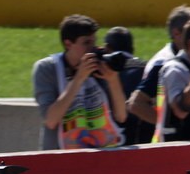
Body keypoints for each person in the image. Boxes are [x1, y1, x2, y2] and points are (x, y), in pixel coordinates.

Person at [32, 14, 127, 150]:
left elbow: (121, 116)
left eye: (94, 42)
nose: (92, 49)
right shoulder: (47, 68)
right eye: (86, 43)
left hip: (100, 154)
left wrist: (113, 80)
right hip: (61, 156)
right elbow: (51, 121)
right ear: (68, 44)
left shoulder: (98, 66)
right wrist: (78, 79)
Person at [127, 4, 190, 140]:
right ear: (176, 33)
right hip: (165, 143)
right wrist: (171, 126)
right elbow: (136, 105)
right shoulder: (162, 63)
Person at [102, 26, 151, 145]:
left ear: (107, 48)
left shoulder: (102, 71)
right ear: (132, 48)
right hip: (146, 140)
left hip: (111, 140)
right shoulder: (147, 68)